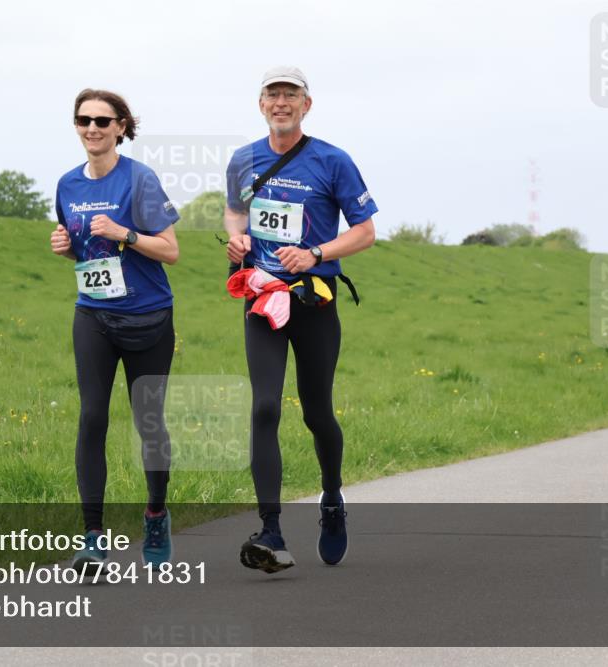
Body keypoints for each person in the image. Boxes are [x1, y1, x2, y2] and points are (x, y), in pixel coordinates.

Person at [224, 66, 378, 572]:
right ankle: (270, 530)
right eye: (273, 94)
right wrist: (239, 238)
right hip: (262, 297)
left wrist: (315, 252)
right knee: (264, 406)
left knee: (317, 413)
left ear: (306, 105)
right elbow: (234, 211)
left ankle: (331, 498)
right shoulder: (243, 159)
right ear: (261, 103)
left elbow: (365, 233)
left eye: (291, 94)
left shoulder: (333, 160)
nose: (281, 102)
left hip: (313, 298)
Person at [51, 88, 180, 572]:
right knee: (92, 418)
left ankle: (155, 512)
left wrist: (124, 233)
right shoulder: (67, 184)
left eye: (103, 121)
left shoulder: (140, 180)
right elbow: (84, 251)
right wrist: (65, 247)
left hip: (148, 316)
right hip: (94, 315)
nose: (92, 129)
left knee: (148, 423)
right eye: (84, 120)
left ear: (122, 127)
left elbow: (170, 250)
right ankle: (92, 537)